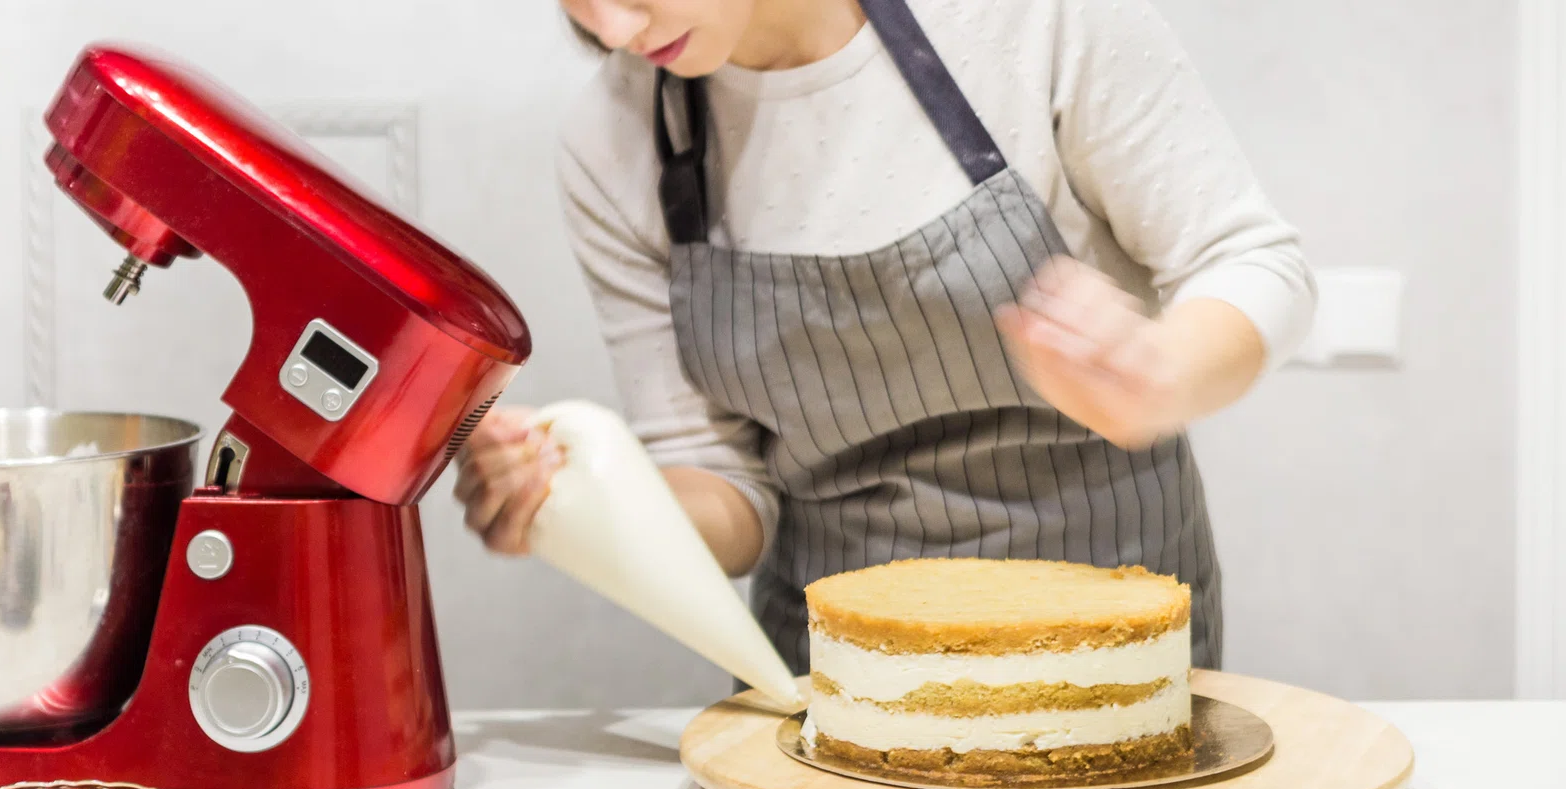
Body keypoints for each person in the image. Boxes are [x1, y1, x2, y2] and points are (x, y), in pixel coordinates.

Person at [452, 0, 1315, 672]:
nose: (611, 26)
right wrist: (579, 502)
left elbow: (1248, 257)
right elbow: (727, 493)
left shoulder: (1023, 21)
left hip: (1110, 654)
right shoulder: (614, 141)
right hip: (838, 677)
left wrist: (1161, 372)